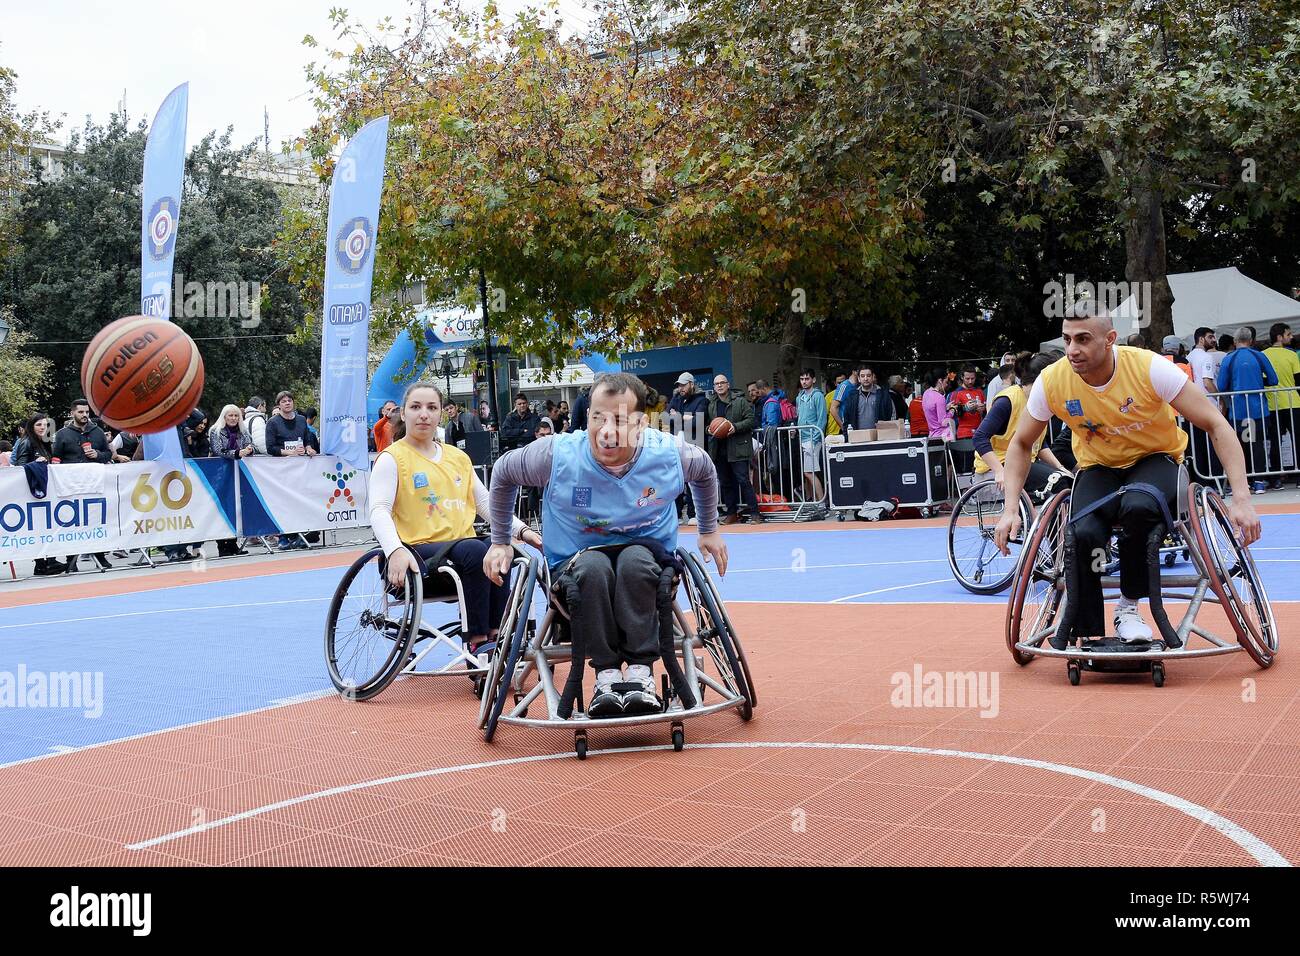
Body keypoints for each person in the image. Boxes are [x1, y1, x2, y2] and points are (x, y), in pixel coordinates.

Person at [994, 303, 1260, 648]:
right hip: (1099, 466)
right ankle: (1084, 624)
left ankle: (1129, 607)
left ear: (1110, 339)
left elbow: (1215, 424)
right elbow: (1021, 443)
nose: (1073, 349)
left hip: (1155, 458)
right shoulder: (1054, 379)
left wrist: (1241, 498)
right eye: (1067, 339)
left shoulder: (1148, 368)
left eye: (1083, 339)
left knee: (1139, 506)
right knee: (1082, 531)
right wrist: (1010, 509)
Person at [483, 372, 724, 717]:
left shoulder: (669, 454)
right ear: (587, 417)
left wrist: (709, 529)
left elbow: (705, 471)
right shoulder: (557, 455)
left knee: (635, 562)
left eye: (620, 420)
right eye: (598, 418)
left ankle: (641, 674)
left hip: (648, 557)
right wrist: (501, 541)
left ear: (641, 424)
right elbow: (503, 472)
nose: (607, 431)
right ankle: (607, 675)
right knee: (594, 569)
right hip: (576, 561)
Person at [373, 382, 541, 660]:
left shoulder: (457, 458)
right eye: (416, 407)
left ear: (441, 414)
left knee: (501, 548)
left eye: (431, 407)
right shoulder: (392, 458)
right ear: (403, 414)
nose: (423, 414)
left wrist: (522, 531)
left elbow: (487, 504)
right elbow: (379, 510)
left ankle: (498, 636)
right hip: (417, 554)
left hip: (462, 555)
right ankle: (477, 643)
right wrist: (395, 550)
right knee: (477, 549)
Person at [972, 352, 1069, 497]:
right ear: (1042, 381)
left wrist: (1060, 467)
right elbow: (979, 437)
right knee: (1058, 482)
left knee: (1067, 479)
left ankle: (1050, 519)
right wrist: (999, 470)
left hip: (1024, 461)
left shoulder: (1040, 403)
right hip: (998, 464)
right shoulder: (1007, 400)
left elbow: (1040, 444)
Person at [51, 400, 113, 571]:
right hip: (71, 486)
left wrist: (98, 454)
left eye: (87, 412)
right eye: (81, 412)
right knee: (72, 523)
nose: (85, 415)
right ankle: (72, 560)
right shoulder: (63, 434)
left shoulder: (97, 431)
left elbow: (108, 454)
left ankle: (100, 555)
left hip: (95, 484)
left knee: (96, 520)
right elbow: (56, 457)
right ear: (72, 413)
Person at [1216, 326, 1277, 485]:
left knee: (1241, 446)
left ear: (1235, 341)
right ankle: (1260, 481)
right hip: (1259, 410)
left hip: (1239, 410)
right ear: (1251, 341)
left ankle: (1245, 482)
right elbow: (1273, 380)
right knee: (1258, 445)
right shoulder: (1259, 356)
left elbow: (1221, 386)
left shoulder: (1229, 358)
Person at [707, 372, 762, 524]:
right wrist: (709, 430)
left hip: (738, 447)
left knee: (743, 480)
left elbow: (751, 420)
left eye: (722, 383)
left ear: (728, 385)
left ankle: (754, 513)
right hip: (719, 449)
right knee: (725, 483)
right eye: (716, 384)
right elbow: (707, 425)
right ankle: (732, 513)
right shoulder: (711, 403)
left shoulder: (740, 401)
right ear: (714, 387)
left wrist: (735, 427)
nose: (719, 386)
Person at [209, 405, 255, 556]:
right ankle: (222, 545)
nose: (234, 418)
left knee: (237, 508)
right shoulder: (215, 431)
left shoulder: (243, 431)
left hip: (239, 474)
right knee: (222, 509)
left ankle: (234, 543)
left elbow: (251, 443)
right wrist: (237, 452)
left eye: (236, 415)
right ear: (224, 417)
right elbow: (218, 450)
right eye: (231, 415)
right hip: (220, 475)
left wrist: (249, 450)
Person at [1263, 323, 1300, 489]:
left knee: (1275, 442)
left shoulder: (1263, 355)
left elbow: (1263, 380)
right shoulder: (1292, 355)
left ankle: (1276, 478)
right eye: (1288, 334)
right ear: (1279, 337)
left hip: (1272, 404)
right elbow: (1298, 379)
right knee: (1297, 440)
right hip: (1293, 402)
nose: (1291, 337)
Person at [796, 368, 827, 504]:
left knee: (810, 472)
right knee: (806, 472)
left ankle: (821, 502)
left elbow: (822, 419)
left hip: (812, 438)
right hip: (802, 438)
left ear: (813, 380)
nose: (804, 381)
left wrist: (815, 439)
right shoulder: (799, 397)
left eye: (807, 378)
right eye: (802, 379)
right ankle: (812, 501)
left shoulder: (818, 396)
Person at [839, 365, 896, 432]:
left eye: (868, 376)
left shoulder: (883, 395)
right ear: (859, 379)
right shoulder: (852, 397)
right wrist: (847, 437)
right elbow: (846, 419)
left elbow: (893, 416)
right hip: (857, 438)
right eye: (862, 376)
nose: (865, 378)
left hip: (880, 438)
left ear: (872, 377)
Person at [266, 391, 321, 459]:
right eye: (284, 401)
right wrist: (291, 452)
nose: (287, 403)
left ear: (293, 403)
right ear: (278, 405)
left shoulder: (302, 420)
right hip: (281, 463)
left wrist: (309, 449)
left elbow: (307, 441)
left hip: (301, 462)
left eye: (289, 401)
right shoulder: (272, 422)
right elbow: (270, 448)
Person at [949, 367, 986, 439]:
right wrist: (965, 408)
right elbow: (950, 414)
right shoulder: (956, 393)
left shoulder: (979, 392)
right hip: (964, 433)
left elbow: (987, 412)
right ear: (962, 377)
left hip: (979, 432)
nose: (970, 381)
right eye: (967, 378)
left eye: (972, 378)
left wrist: (983, 409)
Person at [1187, 327, 1221, 395]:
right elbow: (1207, 383)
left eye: (1214, 337)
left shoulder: (1188, 357)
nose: (1214, 340)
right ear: (1201, 339)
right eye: (1210, 337)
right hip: (1210, 401)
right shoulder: (1207, 357)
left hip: (1195, 399)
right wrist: (1220, 400)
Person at [921, 368, 954, 440]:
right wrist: (952, 410)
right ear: (940, 381)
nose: (947, 385)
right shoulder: (939, 397)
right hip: (943, 436)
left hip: (932, 435)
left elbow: (932, 412)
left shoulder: (926, 393)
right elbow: (943, 422)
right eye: (946, 381)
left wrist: (945, 408)